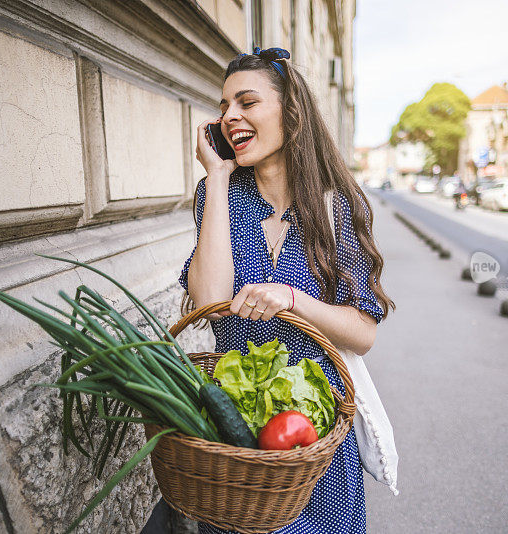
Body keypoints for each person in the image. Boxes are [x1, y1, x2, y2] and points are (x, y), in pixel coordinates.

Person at [178, 47, 394, 534]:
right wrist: (215, 176)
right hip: (240, 436)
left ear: (291, 113)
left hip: (315, 440)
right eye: (224, 106)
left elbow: (363, 333)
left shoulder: (339, 207)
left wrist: (293, 299)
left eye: (247, 102)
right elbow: (211, 301)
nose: (230, 116)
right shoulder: (217, 195)